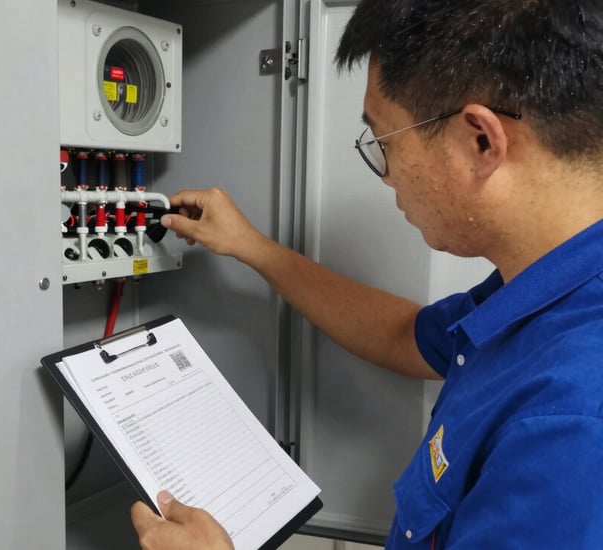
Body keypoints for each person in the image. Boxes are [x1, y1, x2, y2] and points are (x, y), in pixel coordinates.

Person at [131, 0, 603, 548]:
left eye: (384, 143)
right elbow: (404, 334)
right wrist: (250, 247)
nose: (386, 175)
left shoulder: (569, 424)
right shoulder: (545, 290)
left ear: (480, 140)